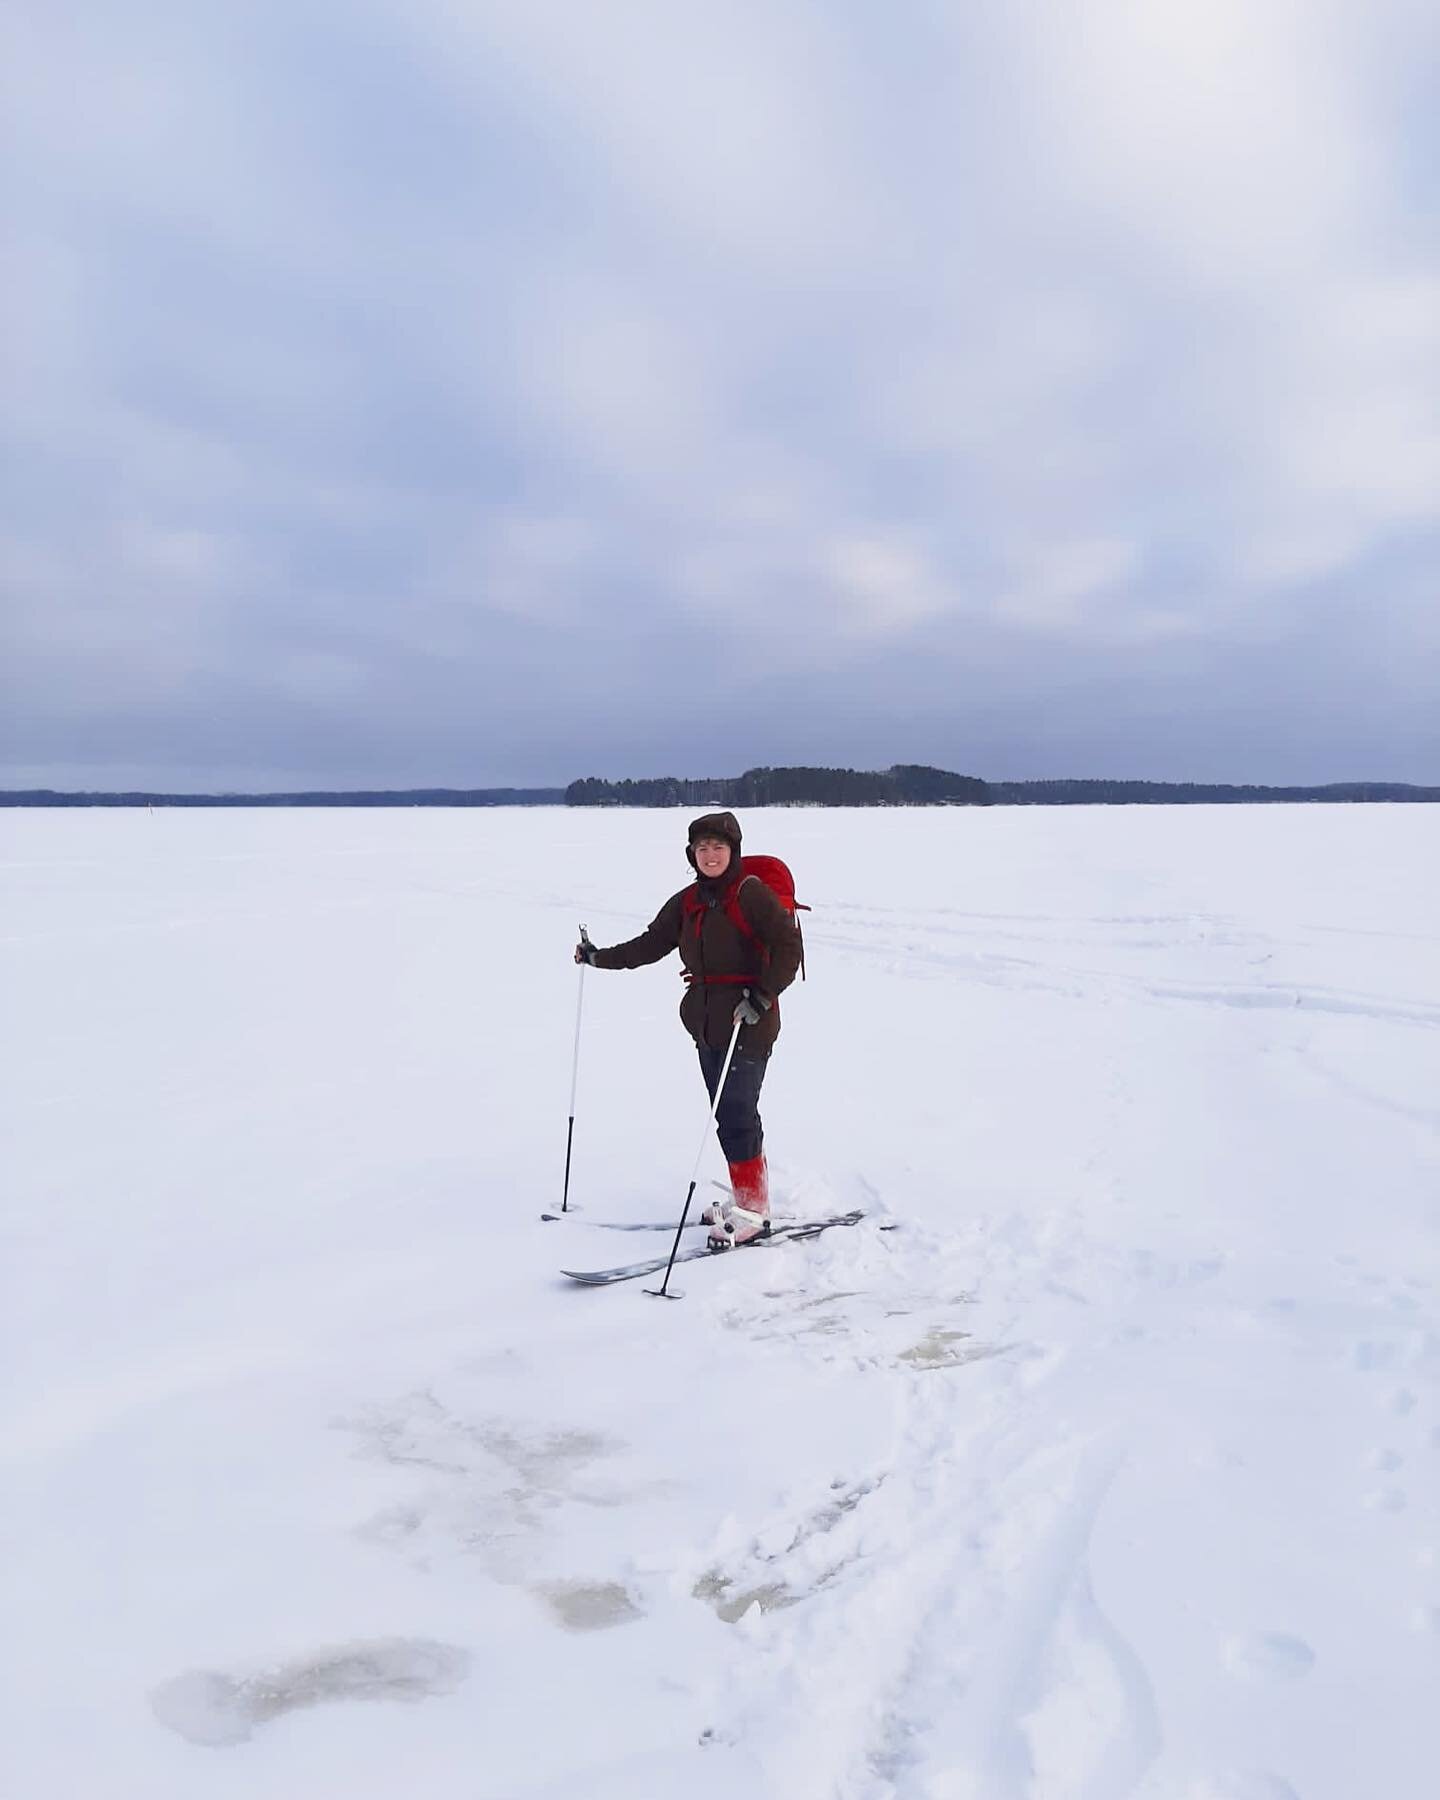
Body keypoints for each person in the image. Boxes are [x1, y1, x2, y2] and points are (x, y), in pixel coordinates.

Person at [574, 811, 802, 1249]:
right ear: (691, 855)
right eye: (702, 848)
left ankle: (754, 1211)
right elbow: (649, 944)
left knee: (737, 1113)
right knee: (727, 1115)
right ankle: (746, 1198)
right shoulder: (688, 901)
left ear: (733, 851)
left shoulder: (750, 893)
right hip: (705, 1022)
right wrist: (597, 957)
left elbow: (787, 945)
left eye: (718, 847)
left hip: (749, 1022)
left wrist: (761, 996)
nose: (710, 855)